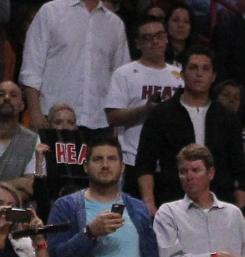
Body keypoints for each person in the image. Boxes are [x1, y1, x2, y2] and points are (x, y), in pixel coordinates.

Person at [136, 47, 245, 213]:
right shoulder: (161, 114)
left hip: (219, 203)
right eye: (193, 68)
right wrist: (149, 203)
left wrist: (240, 210)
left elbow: (239, 167)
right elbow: (145, 163)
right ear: (182, 74)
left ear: (213, 77)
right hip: (172, 202)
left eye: (205, 69)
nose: (199, 74)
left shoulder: (227, 118)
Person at [19, 0, 130, 132]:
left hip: (100, 122)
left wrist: (118, 125)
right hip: (52, 119)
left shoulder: (115, 24)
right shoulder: (50, 11)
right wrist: (35, 115)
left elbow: (121, 79)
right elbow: (31, 68)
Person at [103, 15, 183, 178]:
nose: (155, 42)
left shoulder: (180, 75)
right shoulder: (124, 73)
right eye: (148, 38)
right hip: (132, 157)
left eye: (159, 36)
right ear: (138, 43)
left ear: (167, 39)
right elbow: (112, 117)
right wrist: (146, 109)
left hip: (172, 159)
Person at [0, 83, 39, 201]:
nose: (7, 97)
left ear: (22, 105)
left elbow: (31, 186)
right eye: (1, 94)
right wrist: (18, 182)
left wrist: (4, 202)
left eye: (13, 95)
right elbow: (23, 184)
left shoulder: (33, 140)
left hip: (12, 213)